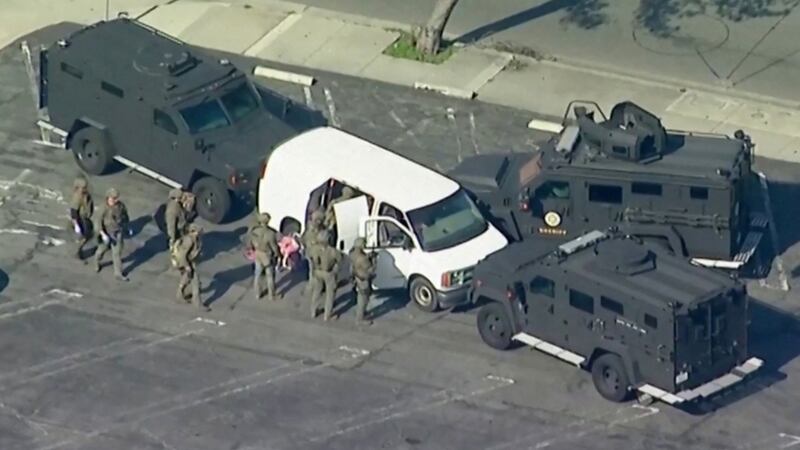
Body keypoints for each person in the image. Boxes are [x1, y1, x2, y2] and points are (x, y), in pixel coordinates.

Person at [94, 187, 130, 281]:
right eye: (113, 198)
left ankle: (118, 273)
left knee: (117, 253)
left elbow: (125, 217)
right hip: (106, 232)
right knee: (102, 249)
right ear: (108, 198)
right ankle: (96, 261)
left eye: (116, 198)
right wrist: (102, 234)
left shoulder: (120, 206)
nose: (115, 200)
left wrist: (127, 228)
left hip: (118, 232)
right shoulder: (103, 208)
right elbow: (98, 221)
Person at [172, 223, 208, 311]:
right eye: (197, 231)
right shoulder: (189, 240)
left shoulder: (195, 239)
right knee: (195, 281)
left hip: (190, 261)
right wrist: (187, 266)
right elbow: (182, 255)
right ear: (192, 232)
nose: (199, 232)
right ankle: (197, 303)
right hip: (186, 262)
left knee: (187, 277)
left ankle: (179, 295)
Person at [309, 230, 341, 321]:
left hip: (317, 272)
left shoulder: (314, 249)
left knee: (317, 291)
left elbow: (310, 257)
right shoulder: (333, 251)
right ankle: (328, 315)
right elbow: (340, 260)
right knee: (330, 293)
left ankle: (313, 311)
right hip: (328, 273)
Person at [248, 213, 280, 302]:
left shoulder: (254, 231)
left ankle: (257, 294)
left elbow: (250, 242)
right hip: (267, 256)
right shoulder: (270, 234)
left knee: (257, 274)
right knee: (270, 276)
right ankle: (271, 295)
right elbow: (274, 247)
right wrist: (278, 255)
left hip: (257, 253)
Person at [349, 237, 375, 325]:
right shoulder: (363, 258)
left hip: (357, 276)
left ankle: (362, 313)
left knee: (361, 297)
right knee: (363, 298)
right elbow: (370, 269)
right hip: (363, 278)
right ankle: (360, 319)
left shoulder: (352, 253)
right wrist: (373, 260)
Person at [69, 176, 94, 261]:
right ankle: (77, 251)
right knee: (85, 236)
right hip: (80, 220)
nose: (85, 189)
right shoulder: (78, 197)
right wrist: (76, 225)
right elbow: (73, 212)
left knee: (88, 234)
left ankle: (79, 250)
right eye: (83, 187)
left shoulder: (85, 195)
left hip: (85, 218)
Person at [301, 210, 324, 294]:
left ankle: (312, 286)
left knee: (312, 270)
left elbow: (303, 239)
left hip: (310, 252)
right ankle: (317, 287)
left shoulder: (309, 228)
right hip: (317, 253)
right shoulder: (321, 230)